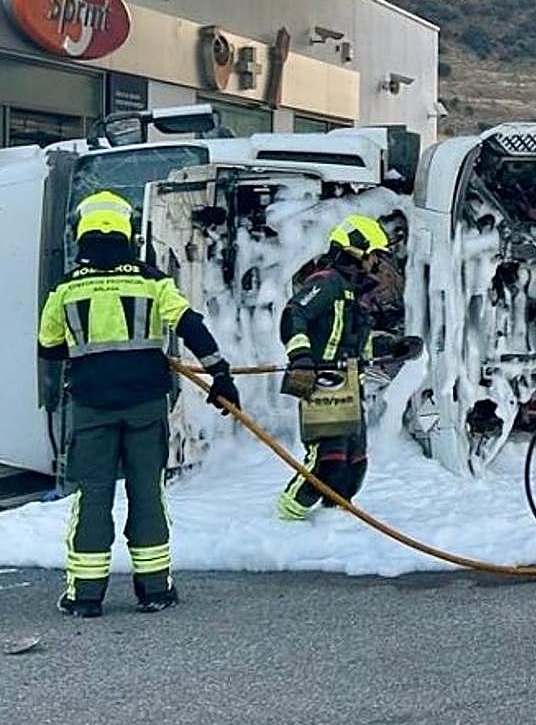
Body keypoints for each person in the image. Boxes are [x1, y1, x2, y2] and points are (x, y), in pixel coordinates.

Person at [38, 190, 240, 618]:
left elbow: (49, 346)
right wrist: (219, 374)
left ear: (83, 233)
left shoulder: (66, 288)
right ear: (128, 232)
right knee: (147, 492)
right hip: (146, 405)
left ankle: (85, 596)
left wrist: (88, 348)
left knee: (91, 495)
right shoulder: (151, 281)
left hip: (92, 406)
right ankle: (154, 590)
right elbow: (191, 326)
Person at [276, 214, 422, 520]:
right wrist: (301, 358)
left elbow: (354, 344)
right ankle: (284, 521)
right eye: (375, 257)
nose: (378, 266)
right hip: (323, 382)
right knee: (327, 462)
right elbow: (293, 315)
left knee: (354, 465)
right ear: (358, 250)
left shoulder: (351, 294)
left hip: (348, 385)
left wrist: (393, 347)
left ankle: (334, 525)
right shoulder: (327, 282)